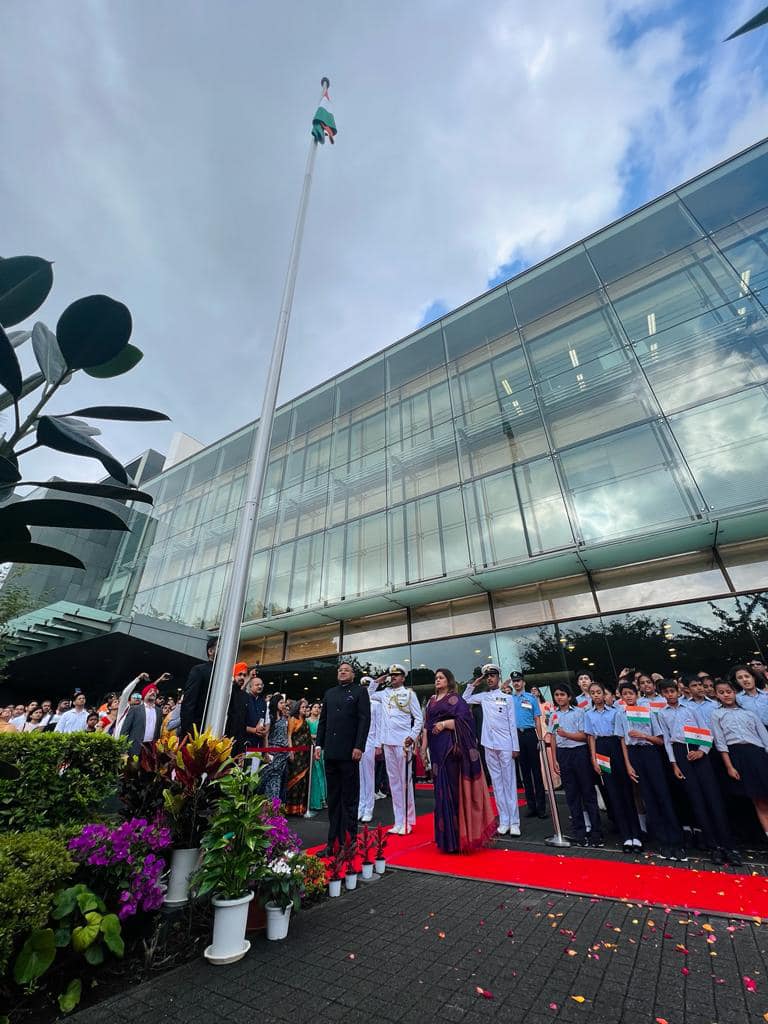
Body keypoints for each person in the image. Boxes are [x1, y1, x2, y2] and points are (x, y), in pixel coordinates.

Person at [656, 678, 742, 867]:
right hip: (680, 752)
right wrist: (674, 764)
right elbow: (668, 740)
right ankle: (714, 847)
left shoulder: (691, 709)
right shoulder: (661, 714)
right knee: (696, 799)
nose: (670, 695)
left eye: (673, 691)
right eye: (666, 692)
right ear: (662, 694)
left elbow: (706, 732)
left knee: (713, 798)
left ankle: (729, 845)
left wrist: (702, 750)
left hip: (698, 750)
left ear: (679, 691)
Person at [422, 668, 495, 853]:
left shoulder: (455, 699)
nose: (437, 680)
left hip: (451, 751)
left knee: (453, 792)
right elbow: (426, 726)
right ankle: (446, 839)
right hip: (436, 752)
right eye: (436, 678)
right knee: (440, 793)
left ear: (449, 680)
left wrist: (445, 724)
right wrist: (423, 748)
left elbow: (466, 721)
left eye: (441, 677)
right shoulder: (431, 701)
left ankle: (458, 838)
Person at [616, 681, 685, 861]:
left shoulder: (648, 712)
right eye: (625, 694)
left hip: (651, 752)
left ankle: (676, 841)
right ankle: (662, 841)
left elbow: (661, 740)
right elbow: (623, 741)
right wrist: (628, 764)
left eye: (631, 693)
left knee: (663, 794)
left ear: (637, 694)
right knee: (648, 797)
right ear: (621, 697)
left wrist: (644, 736)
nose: (628, 696)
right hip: (634, 754)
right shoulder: (620, 714)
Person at [316, 661, 371, 854]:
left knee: (349, 798)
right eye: (340, 670)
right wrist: (318, 744)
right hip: (331, 752)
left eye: (346, 670)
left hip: (349, 753)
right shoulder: (330, 693)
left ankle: (349, 841)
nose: (342, 672)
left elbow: (364, 720)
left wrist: (359, 746)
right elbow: (323, 721)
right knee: (333, 799)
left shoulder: (359, 692)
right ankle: (333, 843)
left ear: (353, 674)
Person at [584, 682, 642, 853]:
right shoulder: (588, 714)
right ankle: (626, 836)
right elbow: (591, 738)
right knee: (612, 792)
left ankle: (636, 835)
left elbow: (622, 738)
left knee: (626, 791)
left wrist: (626, 761)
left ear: (605, 694)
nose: (596, 695)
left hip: (615, 746)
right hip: (601, 749)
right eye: (592, 693)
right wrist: (594, 759)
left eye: (599, 692)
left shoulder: (616, 713)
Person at [463, 664, 519, 836]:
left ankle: (515, 822)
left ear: (498, 677)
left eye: (492, 676)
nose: (489, 679)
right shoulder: (484, 697)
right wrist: (474, 683)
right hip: (489, 744)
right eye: (487, 676)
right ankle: (504, 820)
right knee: (497, 783)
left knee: (509, 783)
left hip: (505, 744)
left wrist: (515, 747)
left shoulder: (507, 698)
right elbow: (464, 699)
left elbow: (512, 724)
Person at [370, 664, 423, 835]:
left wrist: (412, 737)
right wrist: (379, 679)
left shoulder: (409, 694)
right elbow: (368, 693)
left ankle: (407, 821)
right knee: (394, 784)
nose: (393, 677)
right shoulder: (384, 693)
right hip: (388, 743)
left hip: (403, 744)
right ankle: (398, 821)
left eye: (396, 675)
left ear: (403, 677)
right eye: (391, 675)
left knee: (405, 782)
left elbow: (419, 719)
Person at [713, 679, 768, 840]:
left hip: (758, 754)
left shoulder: (749, 713)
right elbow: (721, 743)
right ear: (717, 695)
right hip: (737, 755)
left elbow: (764, 738)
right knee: (758, 799)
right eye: (721, 692)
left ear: (735, 693)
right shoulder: (717, 714)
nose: (726, 695)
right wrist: (729, 766)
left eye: (729, 691)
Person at [549, 685, 603, 847]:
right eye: (557, 695)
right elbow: (552, 738)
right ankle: (579, 831)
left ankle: (596, 832)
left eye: (562, 694)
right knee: (572, 795)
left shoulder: (580, 712)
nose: (559, 697)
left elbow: (584, 736)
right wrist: (554, 759)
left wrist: (567, 735)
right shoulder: (553, 715)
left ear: (569, 697)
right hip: (563, 754)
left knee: (588, 793)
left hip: (579, 753)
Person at [510, 672, 546, 818]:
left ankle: (541, 807)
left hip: (530, 734)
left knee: (536, 771)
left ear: (523, 682)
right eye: (514, 681)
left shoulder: (531, 698)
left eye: (518, 681)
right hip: (517, 735)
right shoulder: (509, 699)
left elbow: (537, 718)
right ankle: (531, 806)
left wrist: (540, 738)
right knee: (524, 772)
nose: (516, 683)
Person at [179, 637, 218, 738]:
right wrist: (189, 733)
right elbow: (188, 703)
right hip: (198, 732)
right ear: (210, 651)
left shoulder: (226, 675)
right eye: (221, 647)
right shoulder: (199, 670)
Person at [357, 677, 381, 823]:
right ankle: (361, 806)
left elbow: (379, 725)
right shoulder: (358, 703)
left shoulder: (376, 705)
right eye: (363, 686)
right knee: (359, 777)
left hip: (371, 741)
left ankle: (369, 809)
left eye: (367, 686)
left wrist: (379, 744)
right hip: (358, 742)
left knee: (369, 776)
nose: (365, 688)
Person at [285, 698, 312, 815]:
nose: (305, 709)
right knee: (294, 780)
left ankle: (299, 808)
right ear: (297, 708)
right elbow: (289, 736)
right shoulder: (293, 719)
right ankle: (289, 808)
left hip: (305, 755)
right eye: (303, 707)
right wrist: (290, 751)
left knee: (303, 781)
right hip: (296, 753)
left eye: (306, 707)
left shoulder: (304, 720)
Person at [121, 682, 163, 757]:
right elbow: (125, 730)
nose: (153, 692)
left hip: (151, 750)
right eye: (150, 691)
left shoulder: (159, 711)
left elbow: (158, 732)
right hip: (134, 749)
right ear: (144, 694)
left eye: (154, 691)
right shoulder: (134, 709)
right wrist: (123, 750)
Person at [225, 662, 250, 758]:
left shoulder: (245, 696)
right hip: (225, 739)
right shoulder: (227, 691)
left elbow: (243, 721)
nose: (242, 677)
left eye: (244, 675)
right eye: (239, 674)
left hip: (238, 742)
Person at [307, 701, 327, 811]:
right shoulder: (307, 721)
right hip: (310, 749)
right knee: (314, 775)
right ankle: (314, 801)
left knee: (322, 773)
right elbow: (304, 734)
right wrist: (313, 736)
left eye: (318, 707)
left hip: (320, 749)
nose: (316, 709)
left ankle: (323, 799)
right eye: (314, 707)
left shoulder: (321, 721)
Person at [245, 671, 268, 751]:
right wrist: (254, 730)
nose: (260, 686)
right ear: (250, 686)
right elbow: (238, 723)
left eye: (261, 685)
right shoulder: (245, 699)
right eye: (257, 685)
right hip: (245, 742)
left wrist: (264, 730)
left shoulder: (263, 702)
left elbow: (263, 721)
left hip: (259, 744)